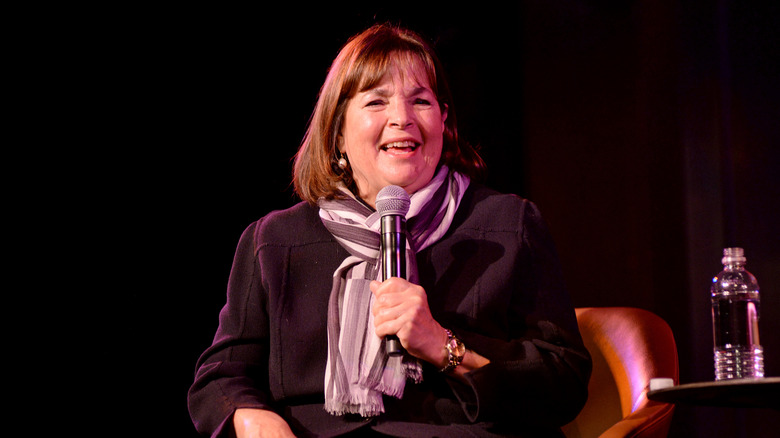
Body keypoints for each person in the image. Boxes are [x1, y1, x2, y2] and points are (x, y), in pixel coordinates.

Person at [188, 24, 591, 438]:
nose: (402, 118)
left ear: (444, 121)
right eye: (376, 101)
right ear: (337, 132)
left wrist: (444, 346)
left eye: (420, 101)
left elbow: (565, 384)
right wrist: (254, 419)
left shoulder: (508, 224)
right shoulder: (276, 241)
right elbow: (220, 378)